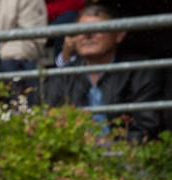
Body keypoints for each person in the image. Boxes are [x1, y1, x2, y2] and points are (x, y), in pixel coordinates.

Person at [42, 3, 161, 142]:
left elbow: (146, 128)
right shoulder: (62, 78)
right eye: (80, 30)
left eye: (97, 28)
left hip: (124, 158)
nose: (87, 35)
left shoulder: (140, 72)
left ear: (119, 34)